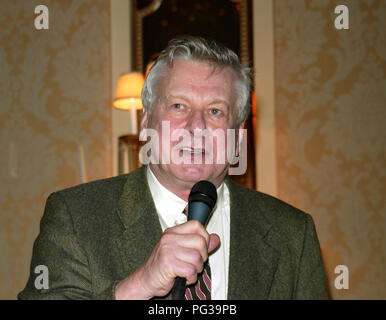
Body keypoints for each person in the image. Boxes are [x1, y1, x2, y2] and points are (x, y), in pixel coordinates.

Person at [18, 36, 328, 300]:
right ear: (144, 124)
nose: (196, 127)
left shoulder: (292, 234)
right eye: (178, 106)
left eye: (216, 111)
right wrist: (137, 286)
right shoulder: (75, 216)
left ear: (238, 140)